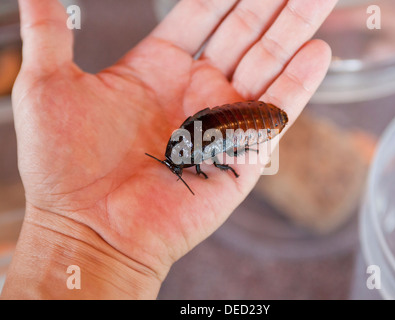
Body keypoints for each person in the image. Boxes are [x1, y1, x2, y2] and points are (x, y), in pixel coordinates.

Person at [1, 0, 337, 299]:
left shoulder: (193, 148)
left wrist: (85, 245)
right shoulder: (188, 143)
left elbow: (208, 147)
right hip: (242, 122)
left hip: (251, 121)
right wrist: (91, 246)